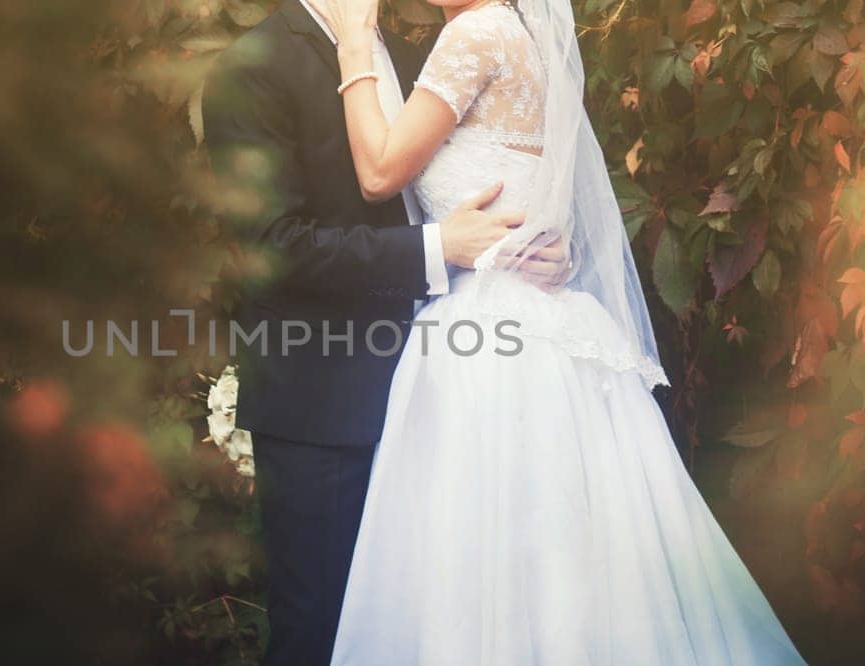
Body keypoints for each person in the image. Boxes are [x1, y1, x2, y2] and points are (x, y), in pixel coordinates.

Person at [313, 0, 807, 663]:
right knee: (562, 555)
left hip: (490, 339)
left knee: (487, 554)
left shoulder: (476, 32)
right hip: (542, 323)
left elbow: (378, 174)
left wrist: (351, 44)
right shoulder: (524, 38)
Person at [201, 1, 573, 663]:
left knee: (432, 629)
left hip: (446, 400)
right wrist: (438, 251)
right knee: (324, 627)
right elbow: (274, 246)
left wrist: (532, 245)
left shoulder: (419, 53)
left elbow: (488, 180)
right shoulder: (251, 68)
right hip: (326, 407)